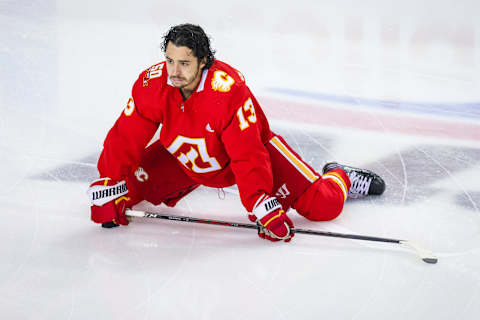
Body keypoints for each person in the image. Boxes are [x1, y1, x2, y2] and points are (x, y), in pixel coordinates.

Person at [87, 23, 385, 242]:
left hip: (246, 155)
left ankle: (340, 175)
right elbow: (125, 136)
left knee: (323, 206)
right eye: (170, 61)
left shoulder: (227, 91)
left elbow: (248, 153)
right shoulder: (152, 84)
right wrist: (109, 181)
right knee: (125, 190)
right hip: (186, 158)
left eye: (184, 63)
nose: (174, 71)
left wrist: (260, 203)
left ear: (203, 62)